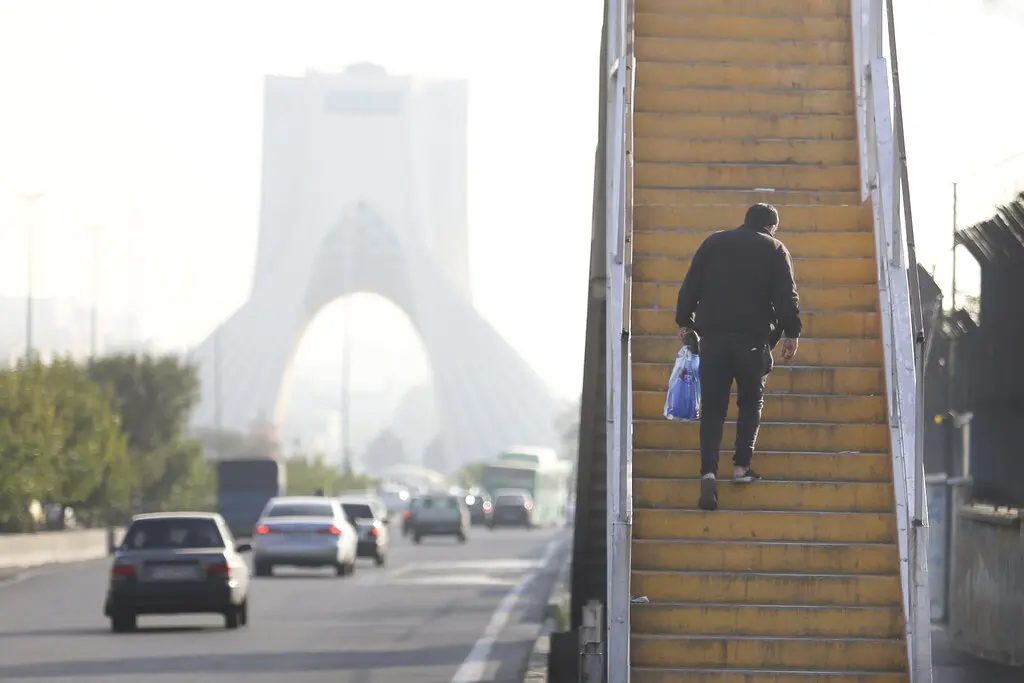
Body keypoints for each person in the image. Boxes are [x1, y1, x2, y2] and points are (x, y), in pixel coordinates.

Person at [675, 203, 802, 511]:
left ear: (745, 221)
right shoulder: (775, 248)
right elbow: (787, 295)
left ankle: (708, 472)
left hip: (713, 339)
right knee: (750, 402)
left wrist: (684, 321)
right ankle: (742, 467)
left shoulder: (714, 242)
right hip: (752, 341)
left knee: (714, 409)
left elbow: (690, 285)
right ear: (771, 226)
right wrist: (791, 331)